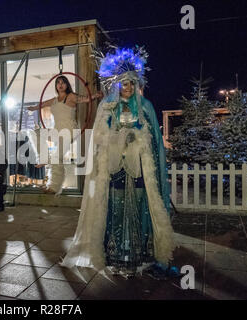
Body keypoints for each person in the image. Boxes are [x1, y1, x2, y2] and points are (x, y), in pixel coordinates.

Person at [61, 47, 175, 279]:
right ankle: (116, 255)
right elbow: (100, 139)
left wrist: (139, 137)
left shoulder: (146, 107)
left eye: (132, 83)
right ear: (116, 85)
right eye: (124, 83)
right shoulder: (107, 106)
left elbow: (153, 140)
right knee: (115, 207)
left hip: (140, 168)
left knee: (141, 205)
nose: (128, 87)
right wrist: (116, 137)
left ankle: (141, 254)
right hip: (115, 168)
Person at [27, 76, 102, 194]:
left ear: (67, 85)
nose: (60, 85)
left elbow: (86, 99)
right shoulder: (55, 100)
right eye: (58, 83)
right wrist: (33, 108)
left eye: (63, 82)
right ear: (56, 86)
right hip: (57, 131)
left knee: (57, 157)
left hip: (69, 131)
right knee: (34, 132)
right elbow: (42, 104)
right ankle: (44, 158)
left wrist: (95, 96)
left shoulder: (71, 96)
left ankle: (53, 187)